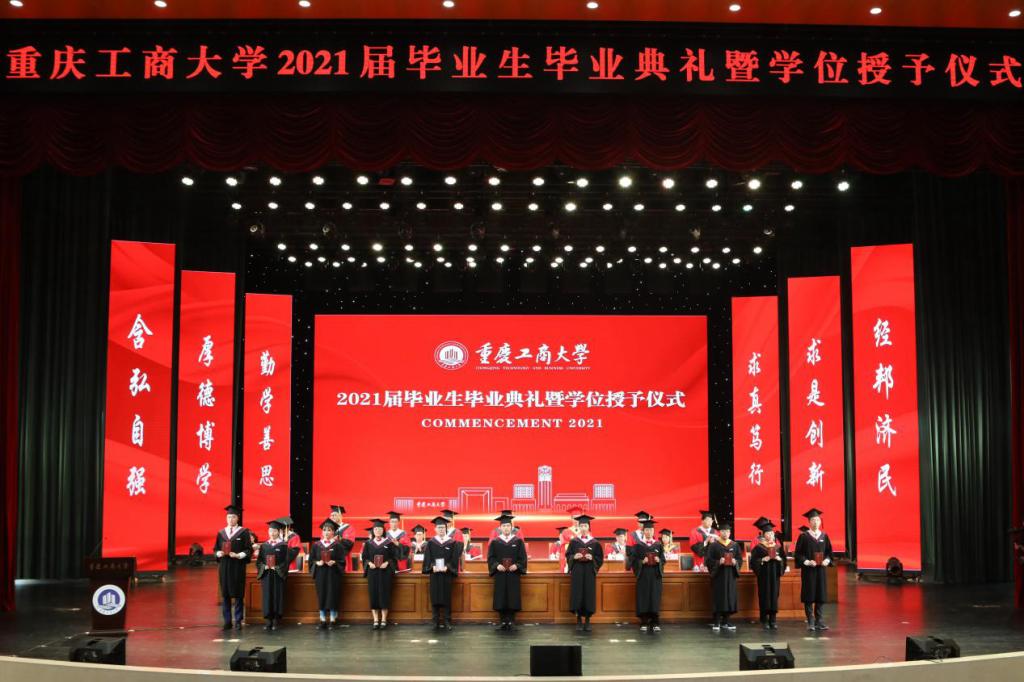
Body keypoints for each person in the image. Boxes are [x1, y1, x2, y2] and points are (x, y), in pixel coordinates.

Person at [256, 519, 300, 631]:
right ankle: (268, 620)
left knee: (277, 596)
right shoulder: (264, 546)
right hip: (267, 575)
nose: (272, 533)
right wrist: (264, 567)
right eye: (270, 531)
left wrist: (278, 568)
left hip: (278, 575)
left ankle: (276, 620)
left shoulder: (284, 546)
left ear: (279, 532)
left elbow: (286, 561)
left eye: (274, 531)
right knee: (267, 596)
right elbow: (259, 561)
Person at [794, 508, 833, 631]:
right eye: (813, 520)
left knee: (820, 595)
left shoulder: (824, 536)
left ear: (820, 522)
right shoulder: (804, 536)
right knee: (809, 595)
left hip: (821, 570)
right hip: (809, 571)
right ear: (809, 522)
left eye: (817, 520)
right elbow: (798, 554)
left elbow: (829, 553)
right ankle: (810, 621)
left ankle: (819, 621)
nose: (816, 522)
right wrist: (807, 561)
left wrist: (827, 560)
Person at [487, 514, 528, 631]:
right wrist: (497, 565)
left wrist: (517, 566)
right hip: (500, 574)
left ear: (511, 527)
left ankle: (511, 621)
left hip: (513, 574)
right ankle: (502, 621)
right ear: (500, 528)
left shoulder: (518, 541)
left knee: (512, 596)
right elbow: (491, 558)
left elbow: (523, 558)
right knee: (501, 597)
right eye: (504, 526)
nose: (506, 528)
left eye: (508, 526)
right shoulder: (495, 542)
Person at [422, 515, 462, 630]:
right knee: (435, 597)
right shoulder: (431, 543)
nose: (441, 529)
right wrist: (432, 567)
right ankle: (435, 621)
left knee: (446, 597)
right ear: (435, 529)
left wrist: (448, 567)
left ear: (446, 529)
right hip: (435, 574)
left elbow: (454, 559)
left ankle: (447, 621)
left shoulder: (452, 543)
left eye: (443, 528)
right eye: (439, 527)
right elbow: (427, 558)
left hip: (446, 574)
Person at [214, 505, 251, 630]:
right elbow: (215, 549)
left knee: (238, 594)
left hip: (237, 566)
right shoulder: (221, 533)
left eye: (233, 517)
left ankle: (238, 620)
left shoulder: (244, 532)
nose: (231, 519)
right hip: (224, 566)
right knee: (225, 594)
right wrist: (218, 553)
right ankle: (227, 621)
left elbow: (248, 550)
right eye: (229, 517)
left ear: (237, 518)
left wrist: (238, 555)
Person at [566, 514, 604, 632]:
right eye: (581, 526)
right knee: (577, 594)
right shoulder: (574, 542)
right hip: (577, 571)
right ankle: (578, 620)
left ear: (588, 527)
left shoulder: (595, 543)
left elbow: (600, 558)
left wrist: (592, 558)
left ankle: (587, 621)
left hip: (589, 572)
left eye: (585, 526)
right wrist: (574, 557)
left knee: (588, 594)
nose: (583, 528)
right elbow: (568, 555)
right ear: (578, 527)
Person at [749, 517, 787, 630]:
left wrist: (780, 560)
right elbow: (753, 562)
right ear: (764, 535)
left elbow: (784, 561)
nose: (770, 535)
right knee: (764, 596)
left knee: (774, 596)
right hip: (764, 576)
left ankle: (773, 620)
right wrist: (762, 560)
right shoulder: (759, 548)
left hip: (775, 576)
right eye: (768, 533)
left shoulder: (778, 547)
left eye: (771, 533)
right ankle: (764, 620)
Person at [704, 522, 741, 632]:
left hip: (730, 576)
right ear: (719, 532)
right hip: (719, 576)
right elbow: (708, 561)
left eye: (728, 531)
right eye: (723, 531)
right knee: (719, 597)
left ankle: (726, 621)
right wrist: (718, 562)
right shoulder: (714, 545)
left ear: (730, 533)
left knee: (729, 597)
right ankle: (717, 621)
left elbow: (740, 559)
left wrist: (735, 562)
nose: (725, 533)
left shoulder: (734, 545)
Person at [630, 519, 664, 632]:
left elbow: (663, 559)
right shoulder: (638, 545)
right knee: (643, 597)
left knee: (655, 597)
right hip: (643, 575)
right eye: (647, 530)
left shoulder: (658, 545)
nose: (648, 532)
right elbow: (632, 560)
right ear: (643, 531)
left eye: (650, 530)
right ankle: (643, 621)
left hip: (655, 575)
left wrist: (659, 560)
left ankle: (655, 621)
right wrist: (641, 562)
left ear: (653, 531)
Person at [362, 518, 397, 629]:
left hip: (385, 572)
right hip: (373, 573)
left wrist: (387, 563)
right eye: (376, 529)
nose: (378, 530)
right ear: (373, 531)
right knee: (374, 595)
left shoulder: (388, 543)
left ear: (383, 530)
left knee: (384, 594)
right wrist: (369, 563)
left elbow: (394, 557)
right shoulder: (368, 543)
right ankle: (376, 620)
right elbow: (364, 557)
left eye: (380, 529)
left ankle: (384, 619)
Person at [310, 518, 343, 629]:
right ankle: (323, 620)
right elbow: (311, 560)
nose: (326, 532)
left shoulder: (338, 545)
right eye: (324, 530)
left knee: (332, 595)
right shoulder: (316, 545)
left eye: (329, 530)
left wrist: (334, 562)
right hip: (321, 574)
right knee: (322, 595)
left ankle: (333, 619)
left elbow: (342, 561)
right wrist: (317, 563)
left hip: (333, 574)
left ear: (333, 532)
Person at [329, 505, 357, 570]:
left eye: (335, 515)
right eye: (331, 515)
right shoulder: (327, 529)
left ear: (340, 516)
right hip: (329, 558)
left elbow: (349, 543)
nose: (332, 517)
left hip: (342, 559)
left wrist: (340, 539)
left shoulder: (348, 527)